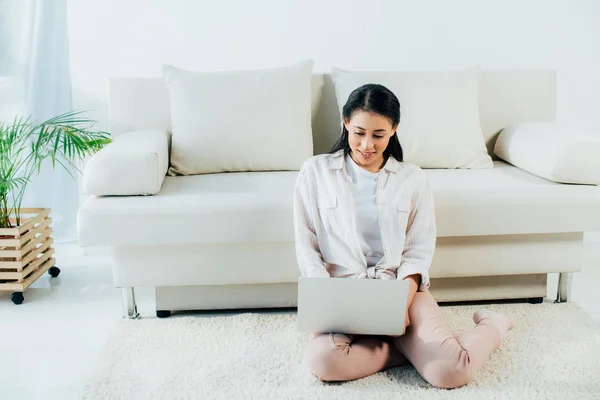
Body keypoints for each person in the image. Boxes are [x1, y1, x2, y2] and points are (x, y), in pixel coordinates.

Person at [292, 83, 514, 389]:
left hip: (400, 290)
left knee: (452, 372)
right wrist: (324, 300)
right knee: (325, 362)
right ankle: (410, 351)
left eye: (378, 135)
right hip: (341, 291)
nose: (367, 144)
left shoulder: (412, 178)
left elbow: (418, 253)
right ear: (345, 123)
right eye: (358, 132)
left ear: (394, 129)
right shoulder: (314, 172)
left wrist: (399, 306)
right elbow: (307, 244)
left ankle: (492, 325)